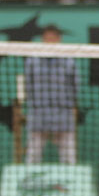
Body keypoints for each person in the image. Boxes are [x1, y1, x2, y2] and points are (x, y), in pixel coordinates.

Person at [24, 24, 79, 165]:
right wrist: (32, 106)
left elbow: (75, 85)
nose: (50, 42)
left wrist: (72, 106)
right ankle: (30, 175)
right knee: (33, 152)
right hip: (38, 112)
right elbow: (28, 85)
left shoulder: (69, 60)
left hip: (63, 112)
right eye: (47, 38)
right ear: (42, 39)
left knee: (68, 154)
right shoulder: (32, 60)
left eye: (53, 38)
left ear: (59, 39)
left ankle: (70, 176)